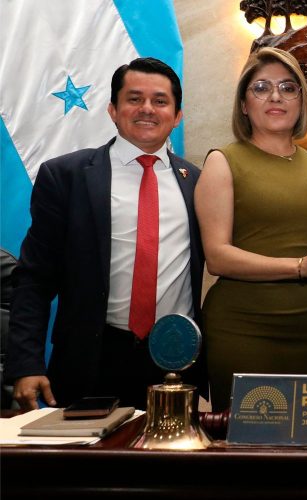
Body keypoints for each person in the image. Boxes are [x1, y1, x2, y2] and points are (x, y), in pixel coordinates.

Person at [7, 57, 205, 411]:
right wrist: (27, 364)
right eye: (134, 98)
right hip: (90, 361)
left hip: (174, 361)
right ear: (113, 109)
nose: (147, 109)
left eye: (160, 101)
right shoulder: (66, 176)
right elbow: (34, 278)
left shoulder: (200, 184)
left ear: (177, 116)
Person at [195, 47, 307, 411]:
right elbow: (217, 257)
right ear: (244, 104)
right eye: (261, 87)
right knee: (243, 445)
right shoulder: (222, 161)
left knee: (305, 445)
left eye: (288, 87)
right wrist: (300, 266)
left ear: (302, 101)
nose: (275, 96)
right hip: (242, 328)